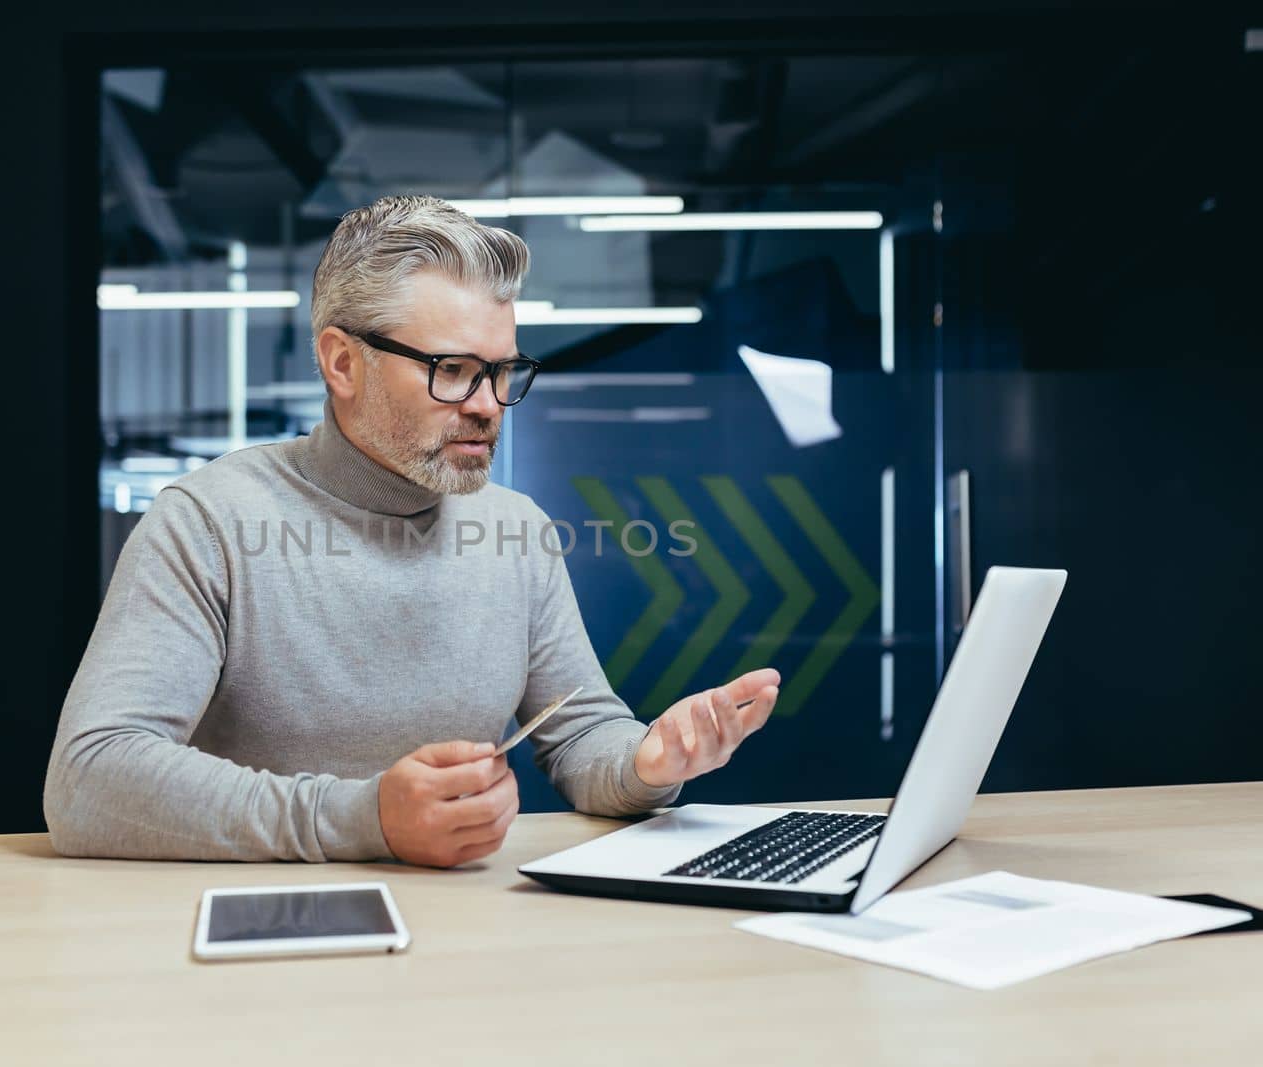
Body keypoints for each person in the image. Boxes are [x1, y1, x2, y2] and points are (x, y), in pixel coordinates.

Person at [43, 195, 779, 868]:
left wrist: (650, 759)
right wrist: (365, 818)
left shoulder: (515, 530)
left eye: (503, 371)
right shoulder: (208, 522)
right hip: (255, 953)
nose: (490, 406)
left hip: (461, 952)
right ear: (342, 362)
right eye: (454, 369)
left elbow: (582, 735)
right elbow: (90, 778)